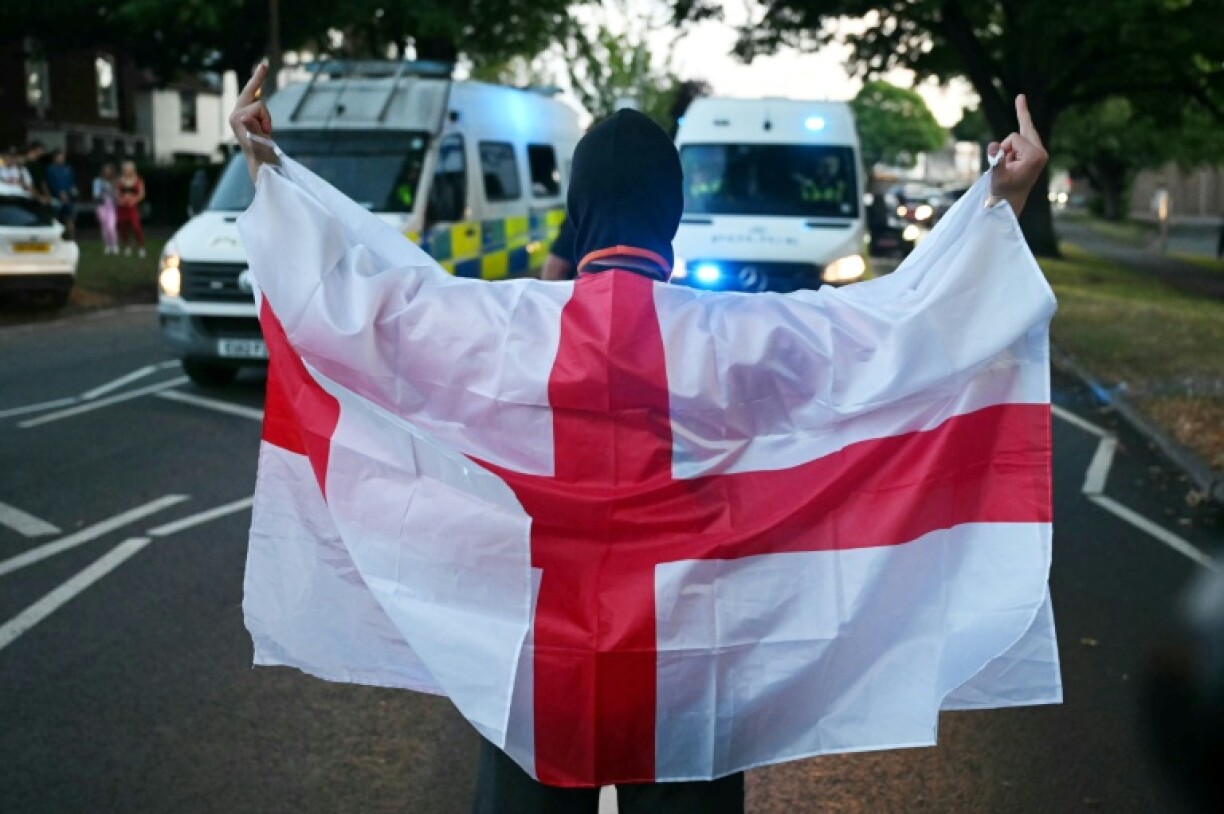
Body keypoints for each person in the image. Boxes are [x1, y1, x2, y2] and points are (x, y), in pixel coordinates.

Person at [231, 65, 1050, 813]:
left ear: (576, 211)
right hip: (694, 676)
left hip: (538, 684)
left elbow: (353, 310)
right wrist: (999, 199)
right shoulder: (740, 334)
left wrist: (270, 172)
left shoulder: (506, 326)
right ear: (674, 210)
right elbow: (898, 329)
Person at [116, 160, 146, 257]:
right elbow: (116, 193)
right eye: (125, 170)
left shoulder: (138, 180)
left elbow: (141, 194)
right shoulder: (119, 180)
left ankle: (141, 247)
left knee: (136, 227)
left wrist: (134, 199)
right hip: (122, 208)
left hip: (132, 207)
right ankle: (127, 246)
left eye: (129, 170)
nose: (127, 172)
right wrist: (120, 200)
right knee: (122, 227)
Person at [45, 149, 77, 240]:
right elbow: (51, 183)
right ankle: (56, 237)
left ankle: (71, 237)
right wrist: (59, 193)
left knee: (70, 217)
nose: (62, 159)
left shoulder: (68, 169)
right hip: (56, 197)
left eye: (63, 157)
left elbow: (71, 182)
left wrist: (69, 193)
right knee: (55, 217)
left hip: (68, 197)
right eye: (60, 157)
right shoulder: (50, 169)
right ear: (55, 158)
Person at [92, 163, 119, 255]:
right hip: (102, 205)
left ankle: (114, 244)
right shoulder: (98, 181)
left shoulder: (114, 181)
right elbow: (96, 194)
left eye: (109, 172)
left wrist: (114, 192)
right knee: (104, 227)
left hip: (111, 205)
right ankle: (107, 245)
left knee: (111, 226)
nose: (107, 173)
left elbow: (117, 194)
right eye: (105, 172)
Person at [1152, 184, 1170, 252]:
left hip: (1161, 209)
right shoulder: (1163, 193)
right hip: (1162, 209)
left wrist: (1154, 212)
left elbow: (1155, 203)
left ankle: (1162, 239)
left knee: (1162, 225)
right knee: (1163, 225)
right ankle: (1163, 239)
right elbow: (1166, 203)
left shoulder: (1159, 193)